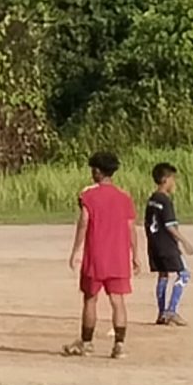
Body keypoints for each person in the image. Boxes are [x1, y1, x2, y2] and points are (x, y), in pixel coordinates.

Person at [65, 151, 136, 358]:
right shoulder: (124, 197)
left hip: (96, 256)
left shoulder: (88, 196)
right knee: (118, 300)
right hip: (119, 257)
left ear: (97, 171)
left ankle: (86, 343)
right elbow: (131, 227)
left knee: (90, 299)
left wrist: (76, 250)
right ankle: (119, 345)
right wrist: (136, 254)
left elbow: (83, 223)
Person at [144, 162, 192, 326]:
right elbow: (170, 225)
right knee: (184, 274)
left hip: (154, 244)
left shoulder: (152, 199)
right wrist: (184, 241)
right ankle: (171, 310)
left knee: (163, 275)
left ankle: (161, 313)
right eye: (173, 179)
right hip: (166, 244)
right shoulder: (164, 200)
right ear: (165, 179)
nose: (174, 183)